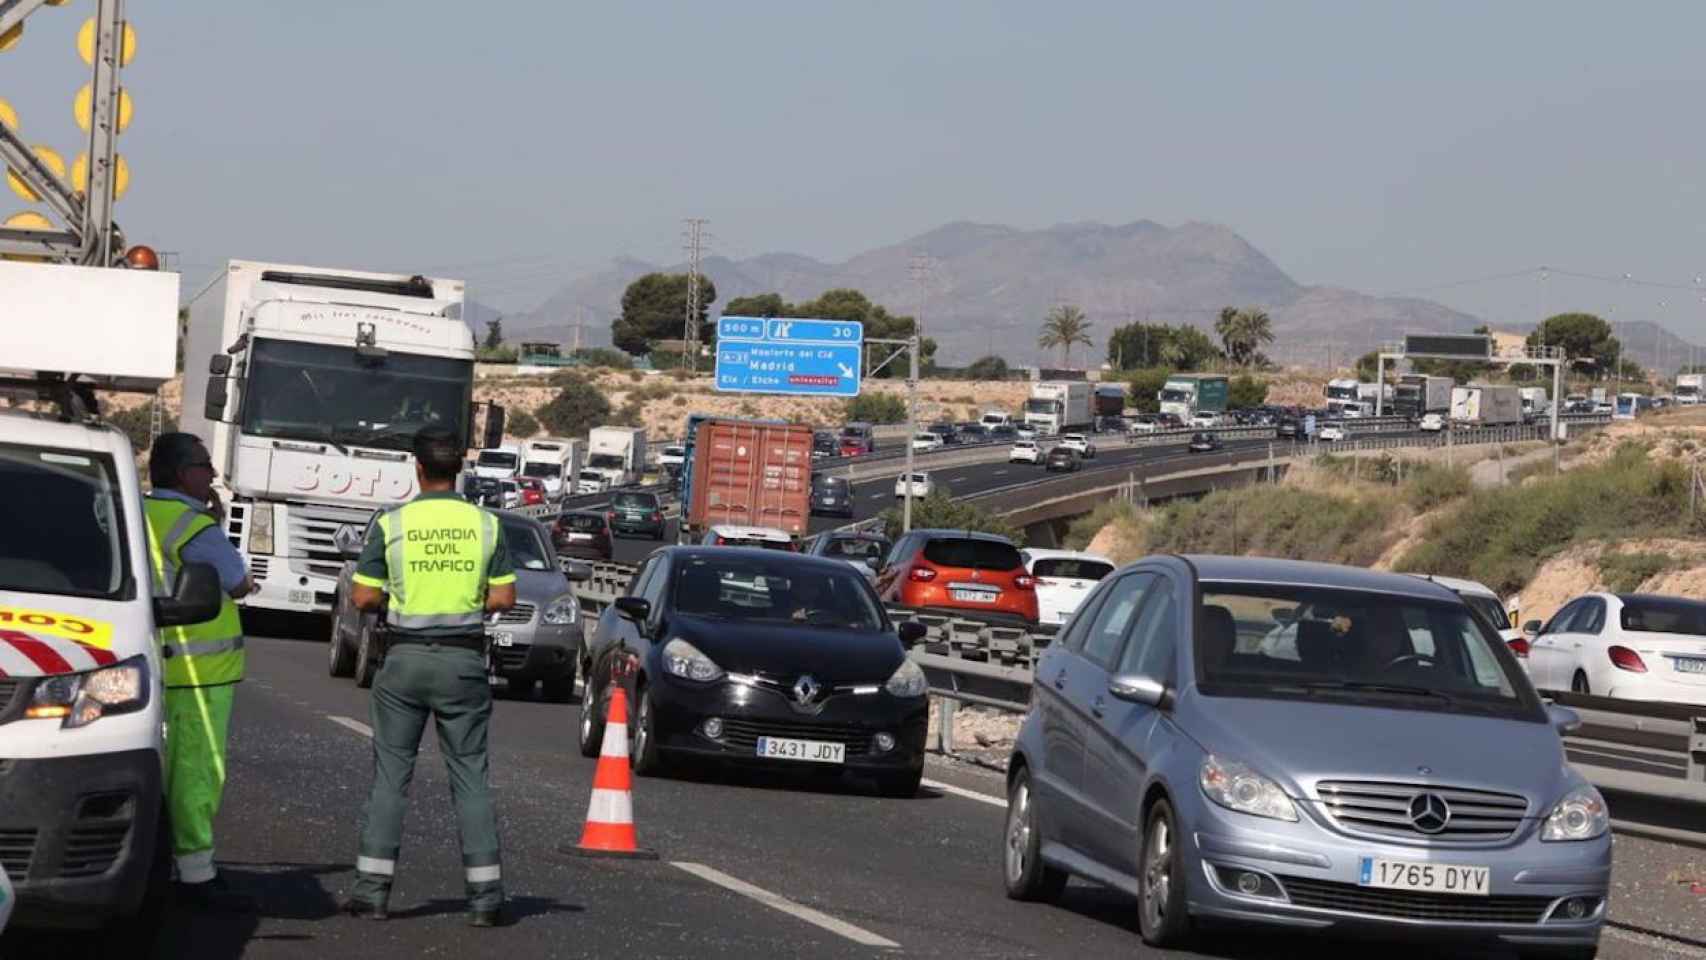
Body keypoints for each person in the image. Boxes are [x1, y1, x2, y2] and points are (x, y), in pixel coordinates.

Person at [345, 425, 516, 926]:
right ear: (457, 469)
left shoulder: (392, 524)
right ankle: (485, 900)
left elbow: (362, 597)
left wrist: (401, 596)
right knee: (470, 778)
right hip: (463, 663)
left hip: (404, 661)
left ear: (417, 469)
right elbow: (504, 598)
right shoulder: (486, 525)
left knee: (391, 777)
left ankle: (371, 893)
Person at [143, 433, 257, 911]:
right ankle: (195, 875)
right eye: (204, 465)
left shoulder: (136, 513)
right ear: (181, 472)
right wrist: (213, 519)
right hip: (198, 669)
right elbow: (240, 583)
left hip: (145, 662)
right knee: (196, 771)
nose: (212, 474)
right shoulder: (192, 525)